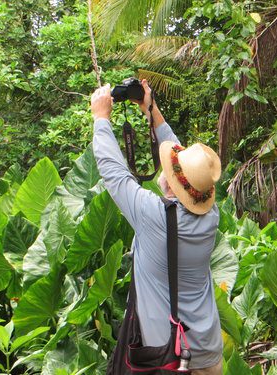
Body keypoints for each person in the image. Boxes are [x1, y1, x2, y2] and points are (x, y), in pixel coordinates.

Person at [91, 80, 223, 374]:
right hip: (208, 352)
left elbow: (115, 174)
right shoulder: (211, 216)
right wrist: (151, 110)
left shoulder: (153, 216)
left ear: (173, 185)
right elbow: (185, 165)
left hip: (169, 356)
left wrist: (101, 119)